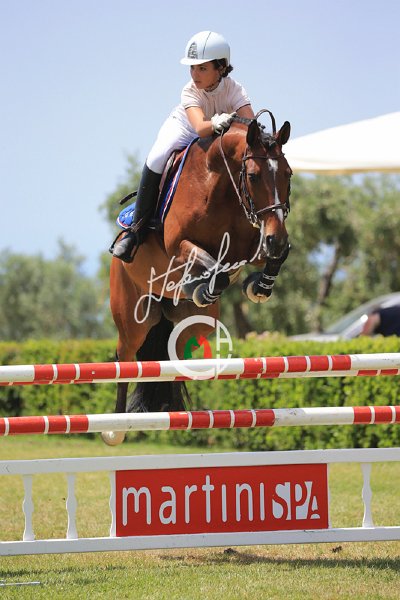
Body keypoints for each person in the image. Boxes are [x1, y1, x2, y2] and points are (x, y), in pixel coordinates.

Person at [111, 31, 255, 263]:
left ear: (220, 67)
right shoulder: (189, 90)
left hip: (218, 133)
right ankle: (136, 230)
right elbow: (200, 128)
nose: (195, 74)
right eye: (192, 68)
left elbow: (250, 125)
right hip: (184, 129)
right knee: (156, 158)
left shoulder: (235, 89)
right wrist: (216, 122)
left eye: (202, 68)